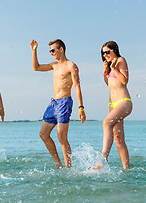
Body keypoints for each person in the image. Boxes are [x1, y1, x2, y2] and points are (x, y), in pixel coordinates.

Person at [30, 39, 86, 168]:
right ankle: (57, 162)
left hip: (64, 103)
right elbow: (36, 67)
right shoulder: (54, 65)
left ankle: (68, 168)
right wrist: (34, 50)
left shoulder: (71, 65)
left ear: (61, 49)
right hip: (53, 103)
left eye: (53, 50)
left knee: (61, 137)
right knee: (43, 134)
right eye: (50, 51)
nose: (51, 53)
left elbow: (77, 86)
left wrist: (81, 107)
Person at [92, 41, 132, 170]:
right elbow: (110, 84)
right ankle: (127, 169)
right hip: (112, 104)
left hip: (124, 101)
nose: (105, 55)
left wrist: (114, 68)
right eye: (103, 53)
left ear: (114, 50)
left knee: (106, 123)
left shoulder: (120, 60)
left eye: (107, 52)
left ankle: (103, 158)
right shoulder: (109, 65)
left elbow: (124, 81)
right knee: (118, 138)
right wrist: (106, 72)